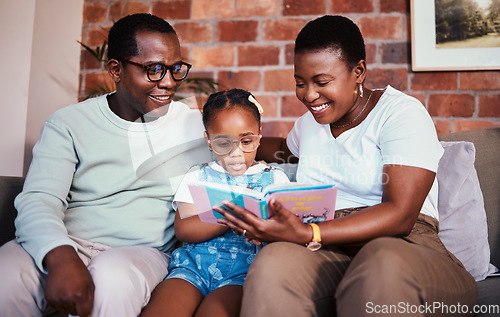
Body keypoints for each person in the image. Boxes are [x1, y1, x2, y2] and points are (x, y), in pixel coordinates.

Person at [215, 15, 477, 316]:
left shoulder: (401, 114)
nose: (309, 95)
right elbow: (279, 150)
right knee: (271, 265)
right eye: (301, 83)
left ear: (358, 72)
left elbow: (401, 215)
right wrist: (234, 140)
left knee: (380, 260)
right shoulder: (309, 125)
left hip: (405, 245)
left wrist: (308, 233)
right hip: (328, 249)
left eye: (322, 82)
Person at [0, 13, 211, 317]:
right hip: (67, 241)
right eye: (153, 69)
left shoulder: (196, 128)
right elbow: (40, 199)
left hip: (143, 253)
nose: (168, 82)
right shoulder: (69, 123)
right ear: (116, 69)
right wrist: (59, 255)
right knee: (6, 276)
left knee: (112, 279)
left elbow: (247, 157)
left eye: (175, 68)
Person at [140, 89, 290, 317]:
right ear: (208, 140)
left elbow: (285, 232)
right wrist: (231, 215)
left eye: (246, 141)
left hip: (242, 275)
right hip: (191, 270)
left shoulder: (274, 179)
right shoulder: (198, 176)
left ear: (259, 134)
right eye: (223, 143)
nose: (236, 153)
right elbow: (184, 229)